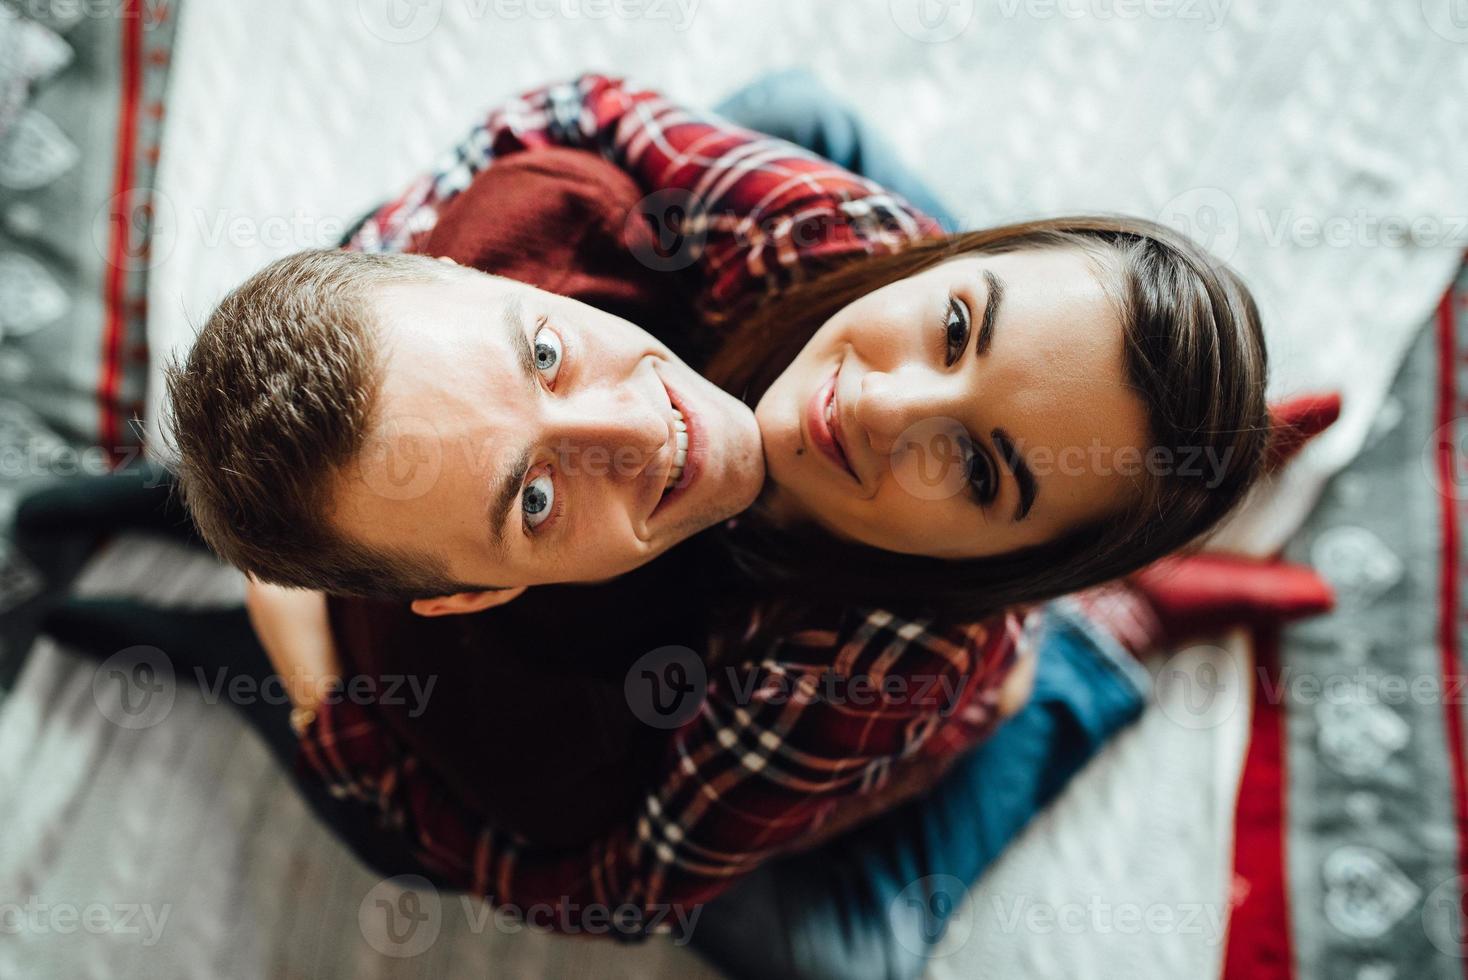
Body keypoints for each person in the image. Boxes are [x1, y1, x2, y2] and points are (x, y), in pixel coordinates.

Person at [24, 71, 1331, 980]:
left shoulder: (854, 680)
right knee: (800, 116)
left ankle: (1122, 615)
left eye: (981, 469)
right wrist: (381, 293)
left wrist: (322, 699)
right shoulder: (825, 231)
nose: (873, 404)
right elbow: (569, 113)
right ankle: (1159, 456)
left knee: (846, 957)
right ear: (947, 264)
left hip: (884, 720)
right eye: (951, 323)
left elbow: (619, 891)